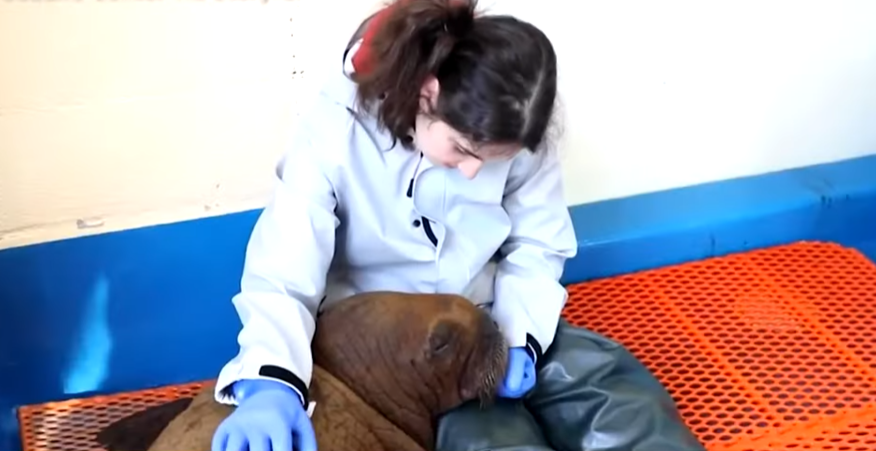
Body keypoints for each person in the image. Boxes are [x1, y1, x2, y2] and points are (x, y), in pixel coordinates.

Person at [209, 1, 706, 451]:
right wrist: (271, 382)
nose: (474, 172)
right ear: (428, 95)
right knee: (488, 436)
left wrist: (520, 337)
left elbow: (538, 241)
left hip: (484, 312)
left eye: (491, 161)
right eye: (465, 151)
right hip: (397, 339)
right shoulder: (333, 133)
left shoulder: (517, 123)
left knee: (610, 388)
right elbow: (283, 267)